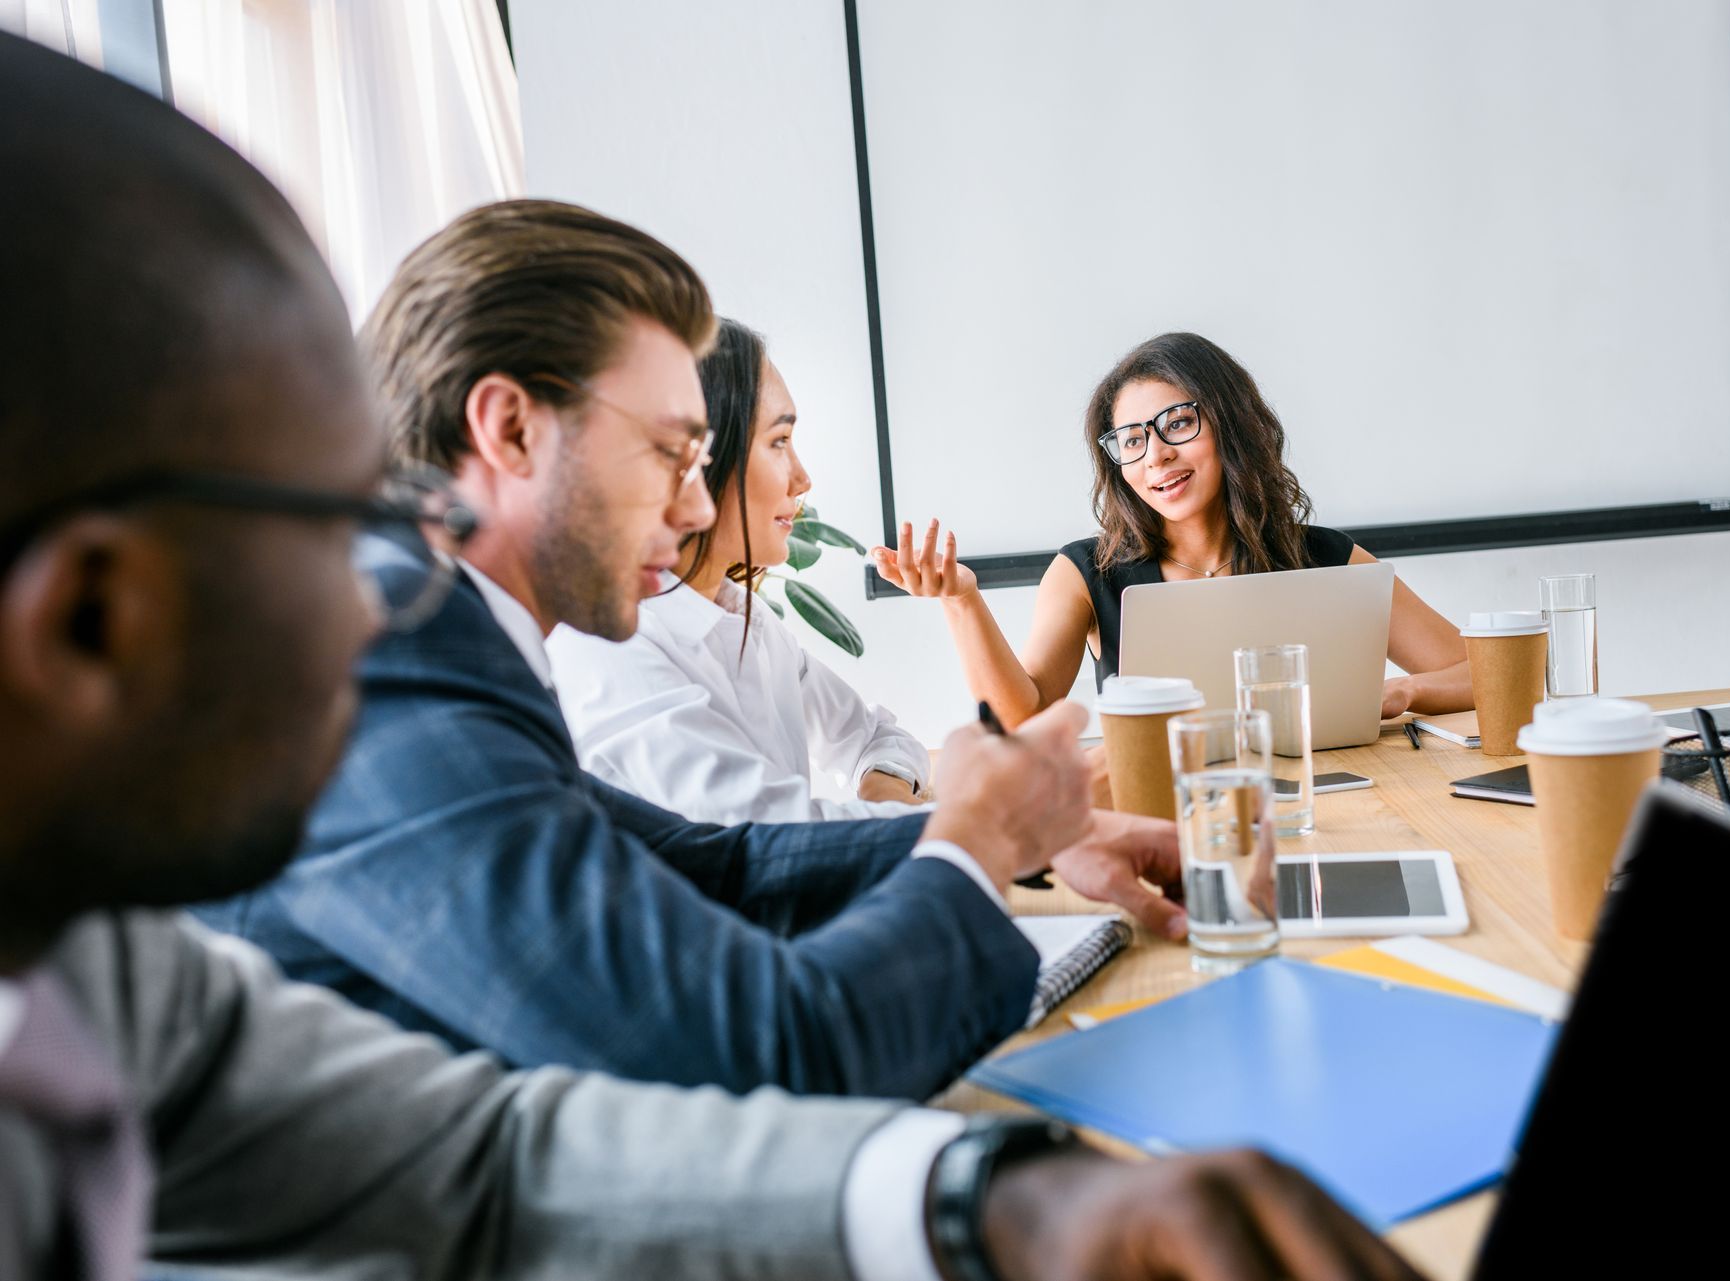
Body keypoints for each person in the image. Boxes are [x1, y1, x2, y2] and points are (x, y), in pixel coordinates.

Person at [0, 34, 1431, 1281]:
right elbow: (733, 1046)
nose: (386, 574)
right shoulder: (402, 666)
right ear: (83, 618)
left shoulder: (114, 985)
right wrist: (977, 844)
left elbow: (509, 1143)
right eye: (335, 516)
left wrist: (996, 1197)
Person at [195, 199, 1194, 1101]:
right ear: (510, 430)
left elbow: (713, 861)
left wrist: (1024, 833)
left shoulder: (445, 632)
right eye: (673, 453)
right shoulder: (378, 669)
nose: (691, 503)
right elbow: (768, 1051)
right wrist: (971, 842)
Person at [873, 331, 1474, 727]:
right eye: (1131, 440)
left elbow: (1483, 672)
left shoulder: (1322, 556)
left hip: (1330, 801)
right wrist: (961, 603)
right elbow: (1019, 717)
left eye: (1177, 423)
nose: (1154, 456)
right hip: (1162, 811)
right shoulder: (1086, 573)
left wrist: (1403, 693)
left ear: (1233, 426)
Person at [549, 318, 930, 823]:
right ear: (701, 457)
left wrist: (884, 801)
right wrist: (968, 821)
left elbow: (881, 739)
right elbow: (769, 835)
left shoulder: (746, 620)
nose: (802, 479)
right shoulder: (611, 644)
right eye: (778, 442)